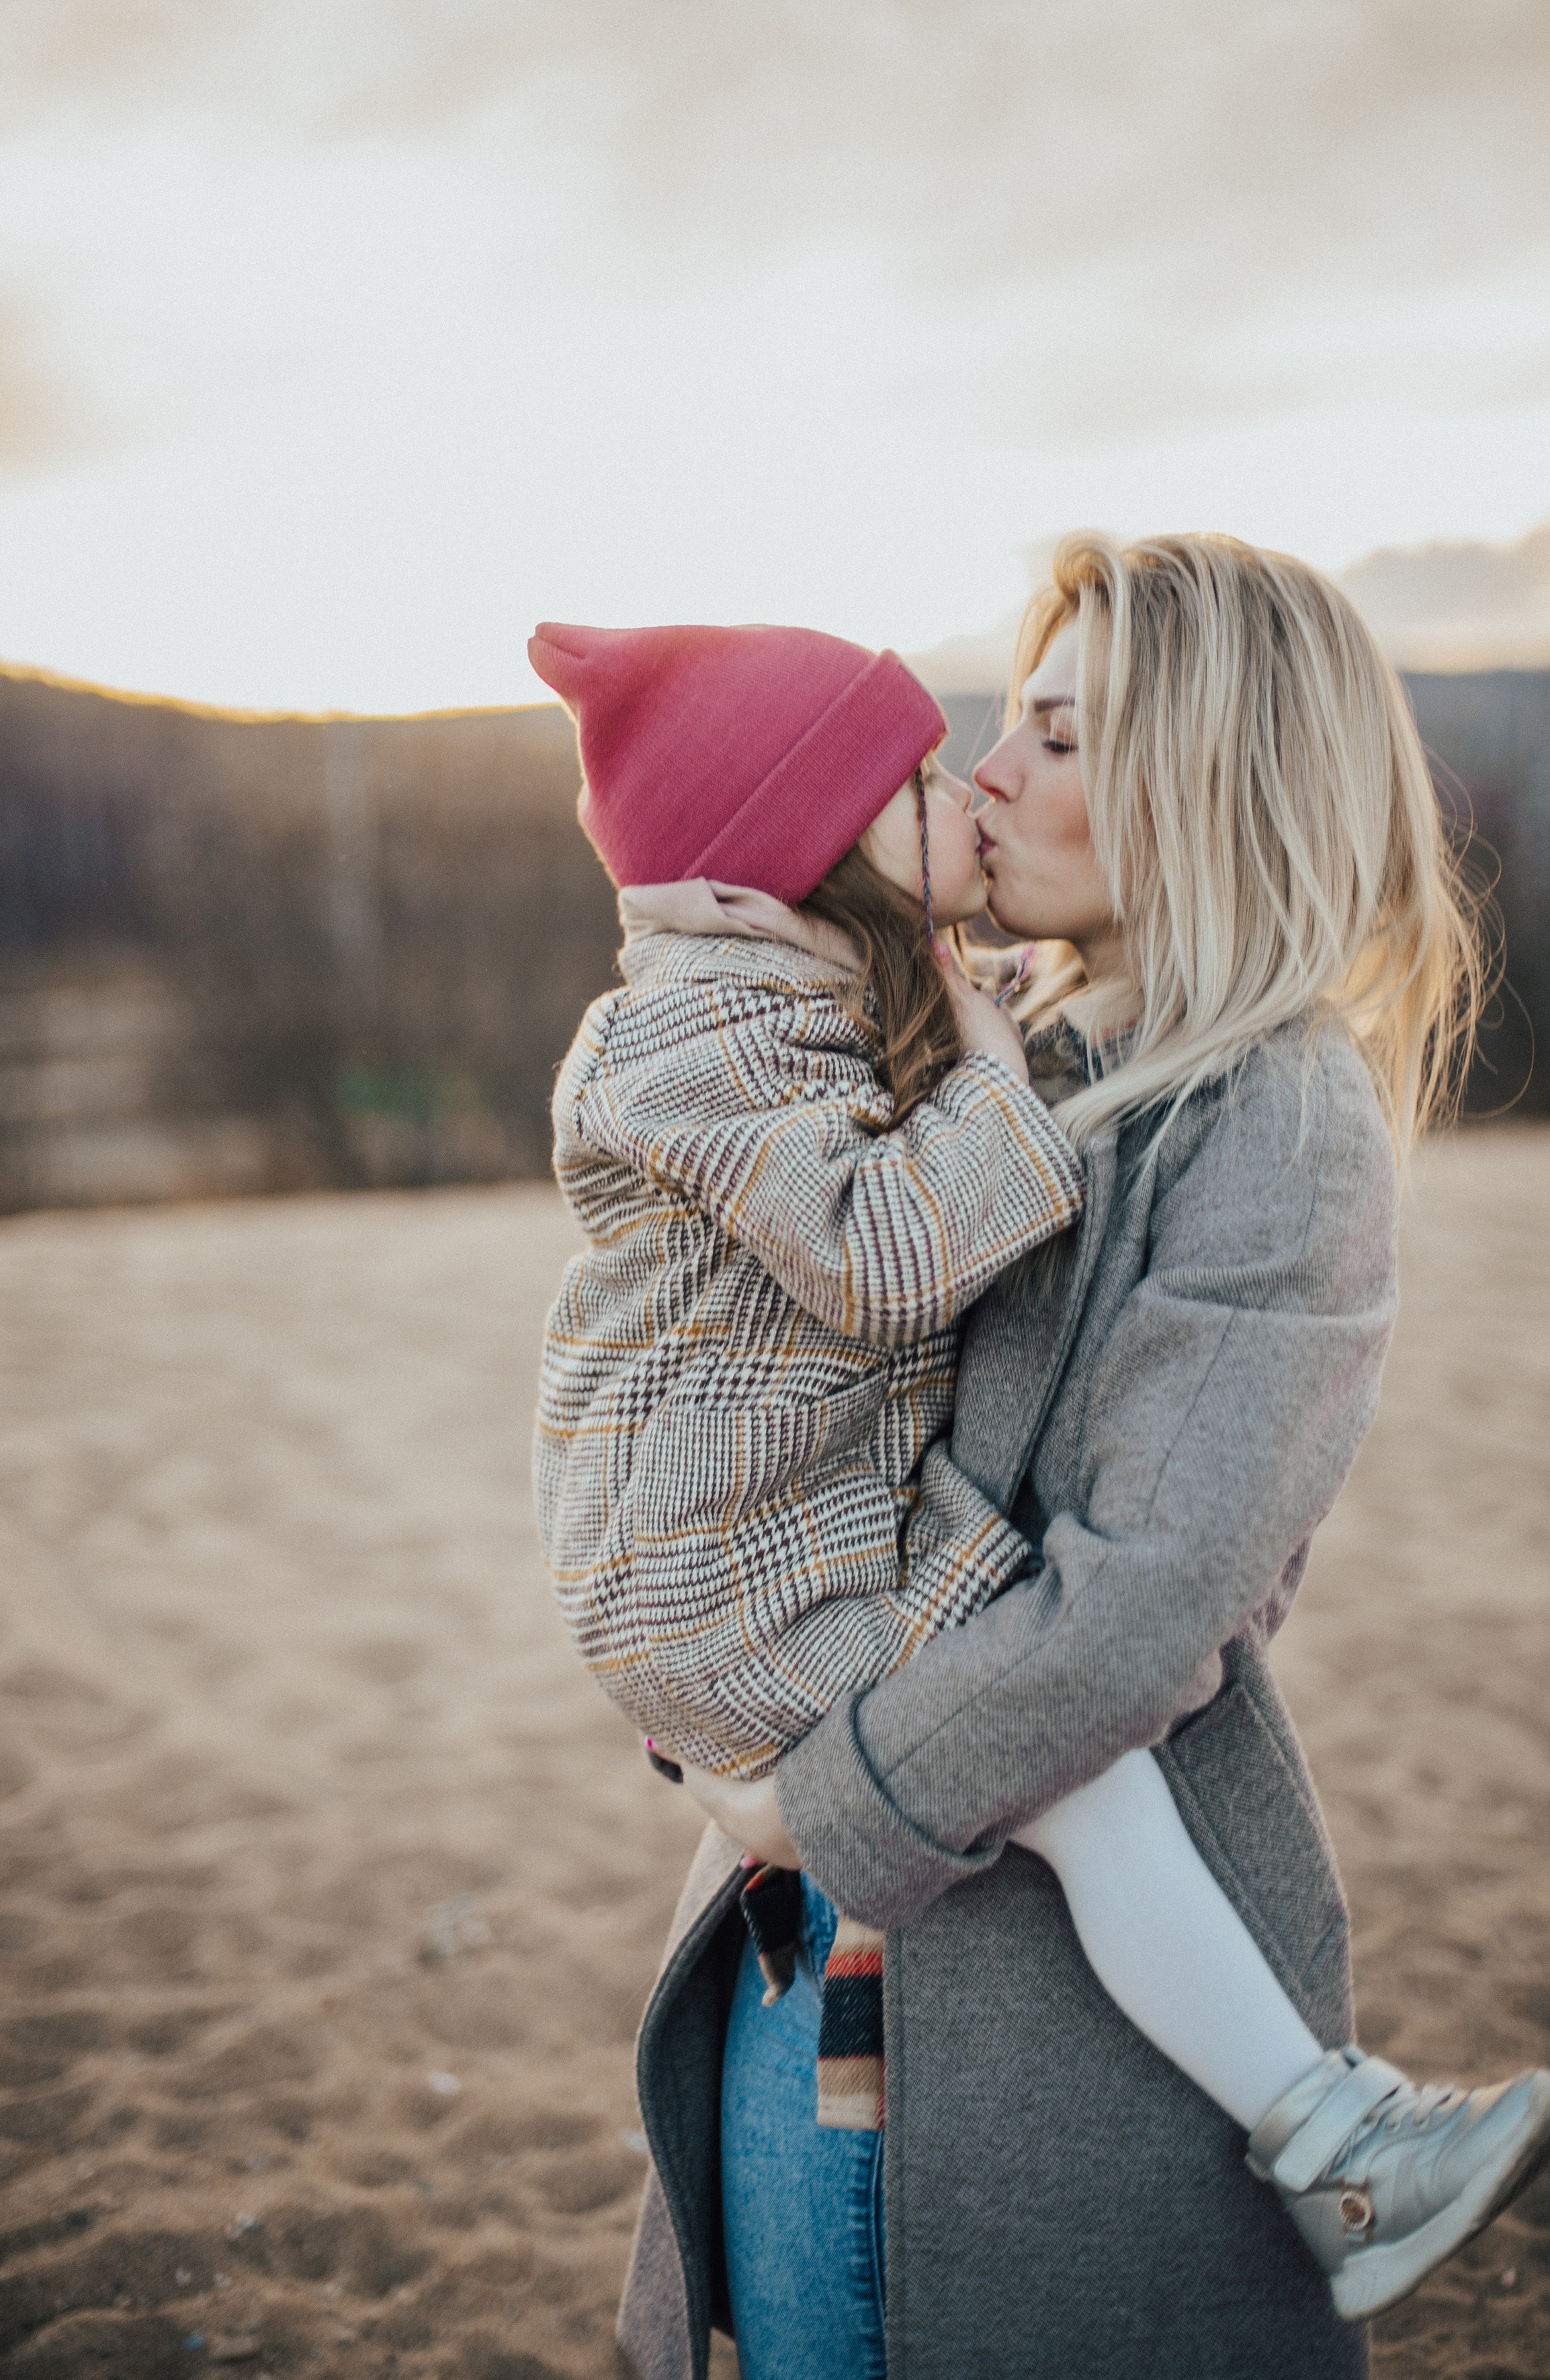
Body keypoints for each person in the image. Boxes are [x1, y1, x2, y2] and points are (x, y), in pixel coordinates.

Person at [527, 594, 1550, 2380]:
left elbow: (1143, 1602)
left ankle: (1330, 2134)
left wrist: (815, 1802)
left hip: (1014, 2030)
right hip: (796, 1963)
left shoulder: (1269, 1112)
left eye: (1056, 735)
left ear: (1212, 782)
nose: (988, 773)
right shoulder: (994, 1044)